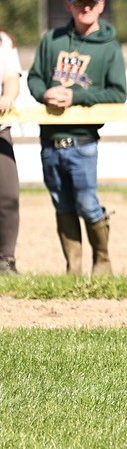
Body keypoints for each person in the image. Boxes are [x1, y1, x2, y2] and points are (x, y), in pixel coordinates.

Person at [27, 0, 127, 274]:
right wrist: (44, 93)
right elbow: (33, 77)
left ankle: (103, 262)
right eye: (78, 3)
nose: (84, 9)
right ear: (68, 6)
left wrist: (77, 96)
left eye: (90, 4)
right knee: (62, 205)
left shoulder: (110, 47)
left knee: (87, 203)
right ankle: (73, 267)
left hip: (83, 142)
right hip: (50, 140)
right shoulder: (52, 40)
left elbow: (118, 93)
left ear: (100, 6)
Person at [0, 29, 22, 273]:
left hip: (0, 130)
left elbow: (12, 78)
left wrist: (8, 96)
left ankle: (6, 259)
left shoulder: (3, 41)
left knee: (8, 196)